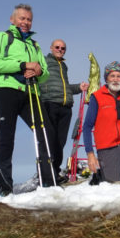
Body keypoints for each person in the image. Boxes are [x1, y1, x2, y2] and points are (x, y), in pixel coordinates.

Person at [0, 3, 53, 196]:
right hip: (5, 90)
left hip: (30, 92)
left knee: (45, 131)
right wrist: (23, 64)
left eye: (29, 19)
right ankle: (5, 189)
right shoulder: (2, 37)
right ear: (12, 19)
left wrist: (38, 71)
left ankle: (47, 182)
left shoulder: (34, 44)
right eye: (22, 18)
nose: (25, 22)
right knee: (6, 138)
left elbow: (45, 73)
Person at [39, 39, 89, 183]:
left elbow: (65, 87)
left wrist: (79, 87)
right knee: (49, 140)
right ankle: (45, 174)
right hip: (50, 104)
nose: (60, 49)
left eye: (63, 48)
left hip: (65, 107)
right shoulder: (44, 61)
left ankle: (54, 172)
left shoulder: (64, 66)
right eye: (57, 47)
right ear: (51, 48)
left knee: (60, 142)